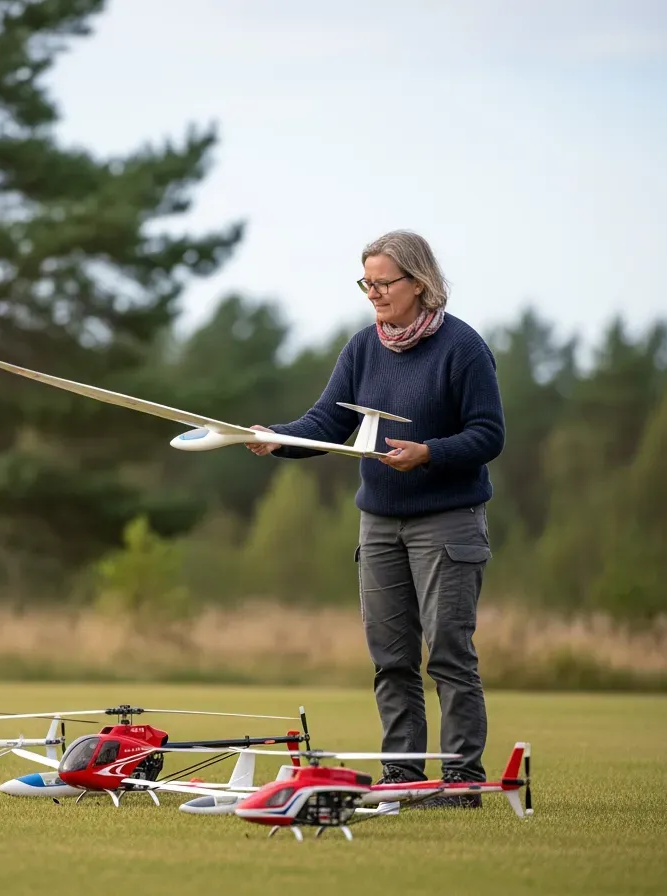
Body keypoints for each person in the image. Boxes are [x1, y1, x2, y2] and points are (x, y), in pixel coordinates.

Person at [246, 230, 504, 807]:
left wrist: (429, 452)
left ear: (419, 282)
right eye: (367, 282)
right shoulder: (363, 348)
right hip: (380, 525)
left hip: (448, 522)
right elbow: (326, 425)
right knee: (391, 659)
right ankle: (402, 778)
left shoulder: (463, 348)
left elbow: (489, 434)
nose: (373, 294)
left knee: (449, 654)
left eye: (384, 282)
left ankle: (461, 782)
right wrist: (274, 438)